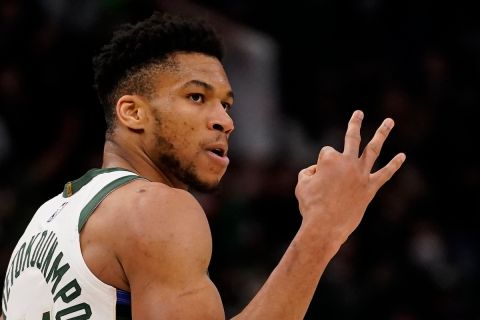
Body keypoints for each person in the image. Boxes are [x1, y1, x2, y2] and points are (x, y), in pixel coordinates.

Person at [0, 11, 406, 319]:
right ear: (132, 112)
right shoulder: (156, 210)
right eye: (197, 97)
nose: (225, 120)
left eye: (226, 104)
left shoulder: (44, 221)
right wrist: (322, 231)